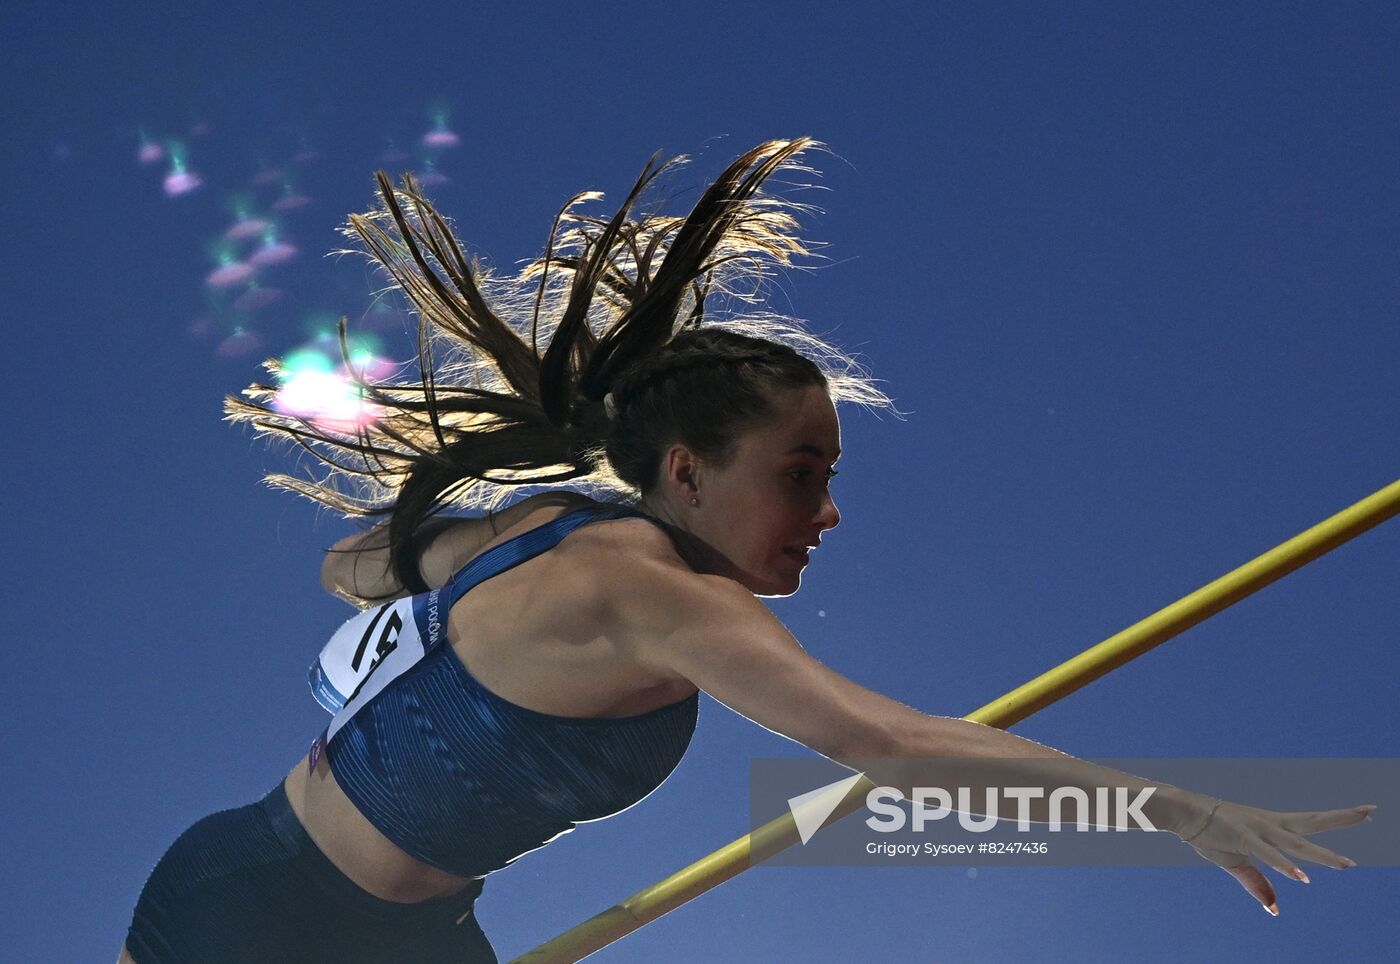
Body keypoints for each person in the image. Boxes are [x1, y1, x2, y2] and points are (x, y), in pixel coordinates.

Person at [120, 139, 1372, 963]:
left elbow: (350, 569)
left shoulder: (551, 533)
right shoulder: (651, 592)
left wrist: (425, 552)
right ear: (686, 472)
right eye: (799, 477)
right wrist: (1174, 809)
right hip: (254, 918)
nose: (824, 514)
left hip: (408, 927)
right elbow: (889, 746)